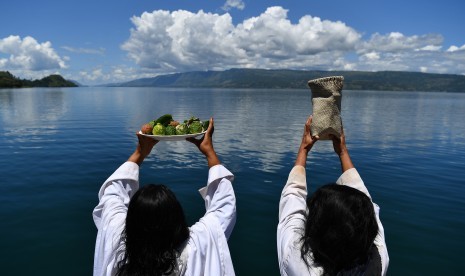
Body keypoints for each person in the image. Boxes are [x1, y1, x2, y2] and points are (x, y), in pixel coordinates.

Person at [92, 118, 237, 276]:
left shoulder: (117, 242)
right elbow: (223, 208)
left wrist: (139, 152)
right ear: (177, 220)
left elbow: (113, 194)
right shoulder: (194, 249)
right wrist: (209, 151)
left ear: (131, 222)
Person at [277, 116, 389, 275]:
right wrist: (342, 151)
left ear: (317, 230)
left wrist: (304, 148)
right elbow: (366, 205)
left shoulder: (299, 265)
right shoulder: (376, 263)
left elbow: (291, 209)